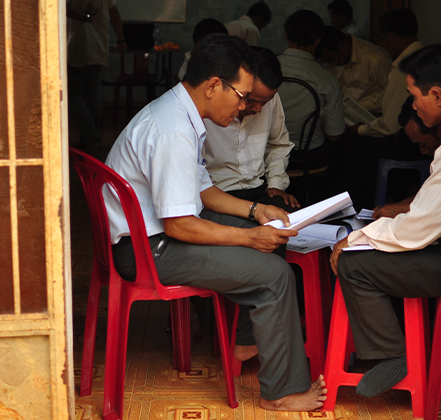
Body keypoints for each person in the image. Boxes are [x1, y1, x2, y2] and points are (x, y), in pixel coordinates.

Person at [104, 34, 327, 411]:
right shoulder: (174, 130)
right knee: (275, 276)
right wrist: (248, 239)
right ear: (212, 86)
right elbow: (179, 226)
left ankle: (247, 339)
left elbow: (204, 192)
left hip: (153, 235)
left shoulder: (179, 113)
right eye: (241, 96)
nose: (243, 107)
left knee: (269, 241)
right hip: (150, 249)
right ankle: (282, 393)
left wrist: (257, 213)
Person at [329, 43, 441, 399]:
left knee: (354, 264)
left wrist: (357, 239)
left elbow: (419, 228)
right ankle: (382, 347)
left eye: (414, 95)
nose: (413, 105)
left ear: (437, 95)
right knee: (373, 251)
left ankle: (393, 354)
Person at [204, 46, 299, 212]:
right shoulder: (205, 110)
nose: (258, 109)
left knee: (292, 219)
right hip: (215, 194)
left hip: (257, 188)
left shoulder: (270, 98)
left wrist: (276, 184)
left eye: (265, 102)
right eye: (250, 100)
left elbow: (278, 144)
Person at [278, 10, 345, 171]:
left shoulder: (267, 69)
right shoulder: (326, 79)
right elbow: (334, 134)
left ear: (286, 36)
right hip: (308, 155)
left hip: (267, 155)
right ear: (317, 41)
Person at [371, 96, 441, 219]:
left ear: (440, 130)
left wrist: (397, 208)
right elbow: (431, 194)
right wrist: (398, 206)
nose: (423, 151)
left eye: (423, 144)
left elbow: (439, 201)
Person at [354, 8, 423, 138]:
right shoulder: (428, 55)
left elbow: (390, 126)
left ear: (392, 37)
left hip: (408, 139)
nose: (384, 45)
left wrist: (360, 129)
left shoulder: (403, 69)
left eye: (383, 38)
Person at [67, 0, 127, 149]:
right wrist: (120, 39)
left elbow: (62, 9)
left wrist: (85, 16)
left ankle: (89, 135)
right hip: (99, 44)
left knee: (73, 94)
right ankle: (91, 136)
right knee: (92, 93)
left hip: (77, 44)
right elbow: (114, 12)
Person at [318, 26, 392, 115]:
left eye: (333, 59)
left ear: (342, 45)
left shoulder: (375, 59)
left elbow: (392, 93)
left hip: (376, 115)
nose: (331, 64)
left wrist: (360, 106)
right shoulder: (334, 59)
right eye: (327, 62)